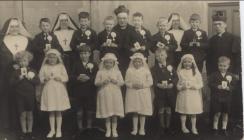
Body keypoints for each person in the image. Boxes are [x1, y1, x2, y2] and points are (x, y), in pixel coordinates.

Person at [0, 18, 32, 130]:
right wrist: (10, 66)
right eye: (12, 26)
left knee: (24, 100)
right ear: (8, 28)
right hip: (6, 75)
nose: (14, 28)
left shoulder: (26, 39)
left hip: (24, 75)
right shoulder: (2, 39)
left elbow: (31, 57)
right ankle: (9, 125)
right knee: (8, 98)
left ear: (20, 28)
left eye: (16, 26)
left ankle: (25, 127)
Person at [39, 49, 71, 138]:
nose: (52, 59)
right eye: (50, 57)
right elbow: (40, 77)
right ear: (47, 58)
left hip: (59, 90)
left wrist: (60, 78)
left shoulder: (61, 66)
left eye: (54, 58)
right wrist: (44, 79)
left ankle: (58, 130)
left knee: (58, 110)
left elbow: (66, 78)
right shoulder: (44, 67)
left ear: (57, 58)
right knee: (51, 110)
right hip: (49, 90)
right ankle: (52, 130)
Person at [9, 51, 39, 140]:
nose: (23, 63)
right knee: (22, 114)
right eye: (21, 61)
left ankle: (30, 132)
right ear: (18, 62)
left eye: (25, 60)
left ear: (28, 61)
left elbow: (38, 81)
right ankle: (24, 132)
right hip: (19, 96)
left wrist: (31, 79)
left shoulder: (32, 71)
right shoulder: (16, 72)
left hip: (29, 96)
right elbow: (11, 84)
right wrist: (19, 79)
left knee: (30, 114)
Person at [95, 53, 124, 138]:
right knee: (107, 112)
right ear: (103, 63)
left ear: (114, 63)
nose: (108, 64)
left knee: (114, 112)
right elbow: (96, 83)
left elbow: (122, 82)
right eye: (106, 62)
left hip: (115, 94)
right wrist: (102, 82)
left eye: (110, 63)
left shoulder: (117, 72)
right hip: (105, 93)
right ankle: (108, 129)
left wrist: (116, 82)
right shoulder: (100, 72)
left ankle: (114, 129)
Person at [70, 45, 98, 134]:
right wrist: (77, 78)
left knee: (89, 110)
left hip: (89, 91)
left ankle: (89, 126)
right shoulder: (76, 64)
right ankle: (80, 127)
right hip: (78, 91)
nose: (83, 55)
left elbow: (97, 76)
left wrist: (89, 78)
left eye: (85, 53)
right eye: (81, 53)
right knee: (79, 111)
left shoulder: (94, 64)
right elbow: (71, 76)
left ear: (89, 54)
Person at [125, 53, 153, 136]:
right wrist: (132, 85)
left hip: (143, 92)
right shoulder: (129, 70)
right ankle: (135, 128)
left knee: (142, 111)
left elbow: (150, 82)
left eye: (139, 62)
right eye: (135, 61)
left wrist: (143, 85)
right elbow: (126, 81)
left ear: (142, 62)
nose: (137, 63)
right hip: (133, 92)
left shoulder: (146, 71)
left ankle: (142, 128)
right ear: (132, 62)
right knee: (135, 111)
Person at [151, 48, 178, 135]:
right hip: (160, 92)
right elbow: (153, 79)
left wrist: (172, 84)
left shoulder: (171, 67)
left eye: (162, 55)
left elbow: (176, 77)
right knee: (161, 109)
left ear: (166, 55)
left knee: (169, 109)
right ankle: (162, 127)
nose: (160, 57)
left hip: (170, 92)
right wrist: (158, 84)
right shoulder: (153, 68)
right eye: (157, 56)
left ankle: (168, 126)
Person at [208, 56, 237, 136]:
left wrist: (229, 88)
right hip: (216, 97)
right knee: (217, 113)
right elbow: (210, 84)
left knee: (225, 113)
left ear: (228, 66)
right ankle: (215, 128)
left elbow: (234, 86)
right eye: (220, 65)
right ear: (218, 65)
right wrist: (217, 86)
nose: (222, 67)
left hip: (227, 98)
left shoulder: (231, 75)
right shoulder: (214, 75)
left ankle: (224, 128)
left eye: (224, 66)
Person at [175, 54, 203, 135]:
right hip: (184, 94)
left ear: (192, 63)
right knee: (183, 111)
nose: (187, 64)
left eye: (189, 62)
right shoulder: (180, 72)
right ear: (182, 63)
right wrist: (181, 87)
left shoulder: (196, 72)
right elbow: (177, 85)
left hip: (193, 95)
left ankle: (193, 127)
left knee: (193, 112)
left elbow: (201, 84)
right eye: (185, 62)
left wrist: (195, 86)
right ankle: (183, 126)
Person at [113, 5, 134, 75]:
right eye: (119, 18)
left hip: (131, 59)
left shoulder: (133, 29)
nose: (122, 20)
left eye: (124, 18)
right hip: (117, 59)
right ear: (117, 19)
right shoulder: (113, 30)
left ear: (128, 18)